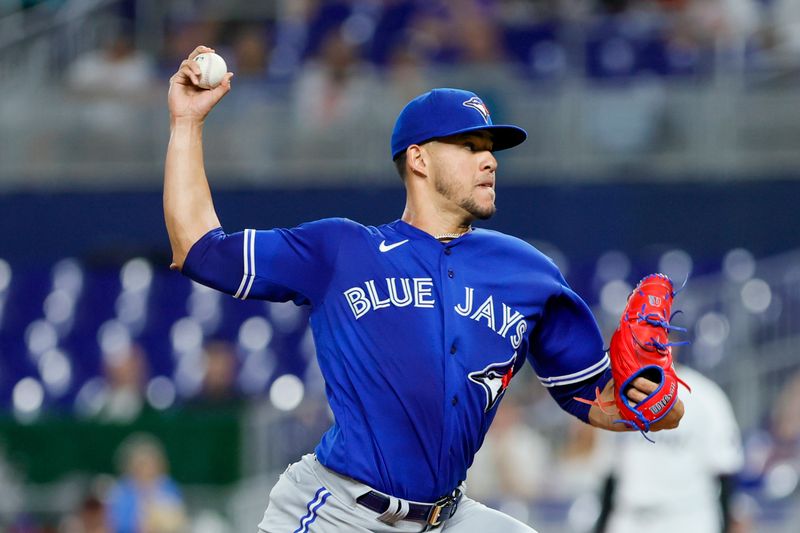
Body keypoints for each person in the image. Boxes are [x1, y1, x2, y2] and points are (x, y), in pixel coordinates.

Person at [164, 45, 684, 532]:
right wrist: (187, 122)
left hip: (448, 518)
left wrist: (657, 403)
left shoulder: (528, 272)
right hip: (340, 511)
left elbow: (594, 398)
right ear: (418, 160)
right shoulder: (341, 250)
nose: (490, 159)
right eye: (469, 145)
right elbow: (200, 250)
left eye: (490, 148)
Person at [593, 364, 744, 533]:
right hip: (629, 517)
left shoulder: (704, 395)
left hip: (686, 519)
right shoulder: (617, 395)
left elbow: (725, 471)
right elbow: (610, 475)